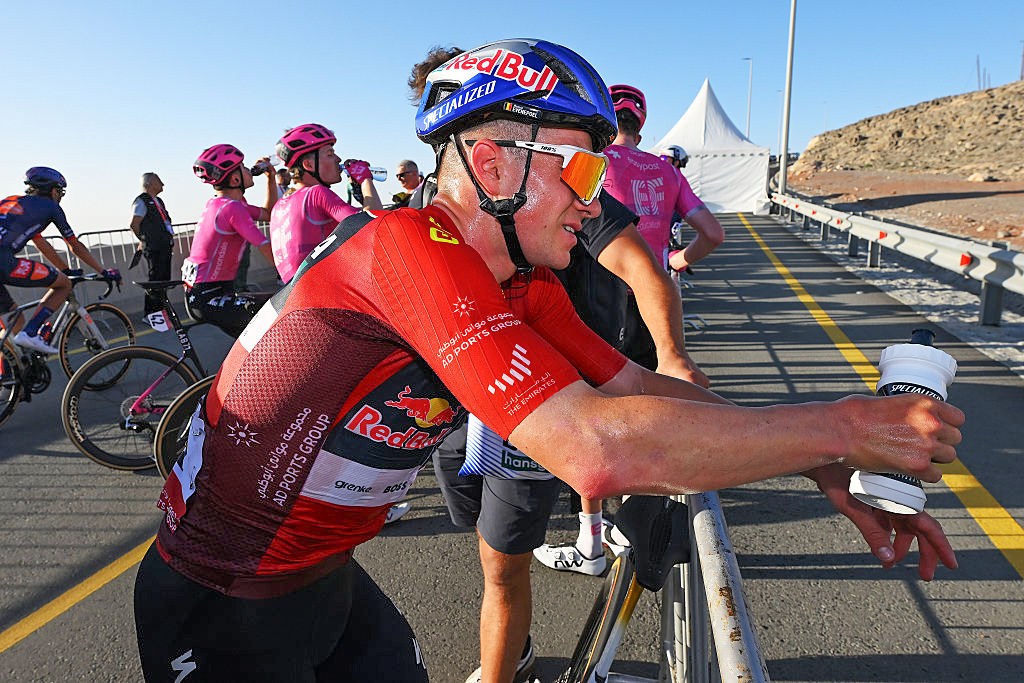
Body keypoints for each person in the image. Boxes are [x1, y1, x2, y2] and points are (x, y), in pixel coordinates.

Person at [134, 39, 963, 683]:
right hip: (217, 596)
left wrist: (825, 463)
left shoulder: (520, 282)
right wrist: (846, 423)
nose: (596, 200)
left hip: (324, 579)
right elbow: (596, 450)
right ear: (493, 164)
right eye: (582, 170)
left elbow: (638, 386)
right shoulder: (405, 247)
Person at [533, 84, 727, 578]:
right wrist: (676, 260)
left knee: (593, 410)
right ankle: (639, 515)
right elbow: (712, 233)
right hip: (657, 298)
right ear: (642, 121)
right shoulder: (666, 169)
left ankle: (592, 540)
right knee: (653, 400)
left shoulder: (593, 164)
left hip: (600, 298)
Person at [0, 167, 119, 354]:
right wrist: (103, 271)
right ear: (53, 191)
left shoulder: (12, 201)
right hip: (3, 261)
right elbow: (75, 245)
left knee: (14, 322)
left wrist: (65, 269)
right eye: (61, 192)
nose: (61, 196)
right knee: (63, 285)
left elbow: (41, 243)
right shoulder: (52, 207)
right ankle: (31, 333)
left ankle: (10, 368)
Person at [268, 123, 383, 284]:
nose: (338, 159)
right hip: (323, 293)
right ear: (308, 165)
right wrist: (365, 179)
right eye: (330, 154)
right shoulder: (316, 193)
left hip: (292, 294)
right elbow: (375, 224)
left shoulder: (278, 206)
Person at [182, 145, 277, 338]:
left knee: (256, 341)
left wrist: (270, 178)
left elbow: (268, 214)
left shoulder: (220, 203)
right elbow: (264, 246)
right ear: (235, 179)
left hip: (204, 295)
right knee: (276, 314)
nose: (249, 170)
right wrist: (295, 275)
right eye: (243, 167)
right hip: (210, 297)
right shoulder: (233, 208)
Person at [129, 172, 174, 324]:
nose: (162, 184)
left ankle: (161, 312)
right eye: (159, 181)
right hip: (154, 247)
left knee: (164, 280)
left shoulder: (158, 201)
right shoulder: (142, 201)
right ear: (149, 183)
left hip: (164, 245)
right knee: (155, 280)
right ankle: (150, 314)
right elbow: (134, 224)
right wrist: (144, 239)